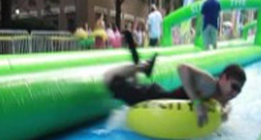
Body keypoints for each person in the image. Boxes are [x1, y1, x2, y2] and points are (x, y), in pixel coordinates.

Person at [105, 31, 247, 127]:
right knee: (110, 80)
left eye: (239, 91)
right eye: (234, 87)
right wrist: (196, 102)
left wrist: (226, 112)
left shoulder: (224, 96)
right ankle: (142, 67)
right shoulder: (209, 84)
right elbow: (182, 68)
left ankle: (140, 65)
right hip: (155, 99)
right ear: (223, 78)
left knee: (133, 84)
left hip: (163, 97)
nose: (235, 93)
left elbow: (226, 106)